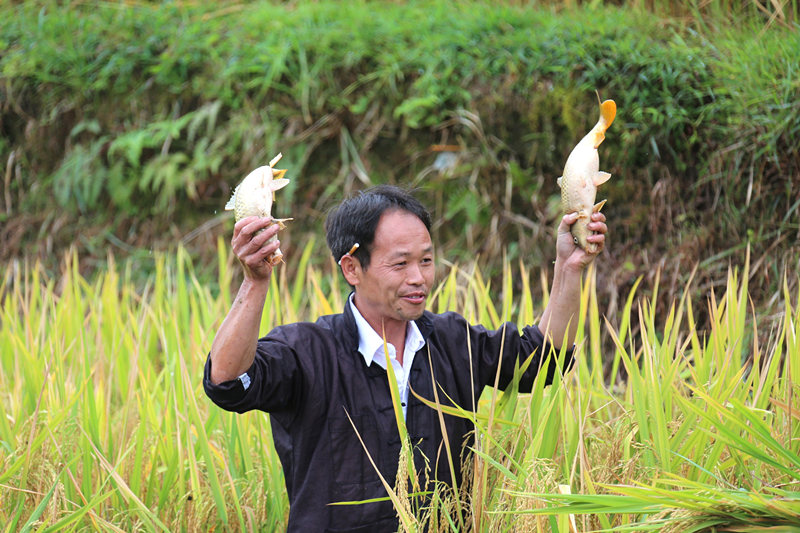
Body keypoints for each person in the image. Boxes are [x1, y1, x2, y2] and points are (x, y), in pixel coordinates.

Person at [203, 185, 607, 532]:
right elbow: (227, 383)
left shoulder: (452, 342)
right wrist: (255, 282)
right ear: (352, 268)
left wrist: (570, 269)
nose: (419, 278)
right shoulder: (308, 351)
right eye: (400, 263)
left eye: (426, 260)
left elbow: (541, 361)